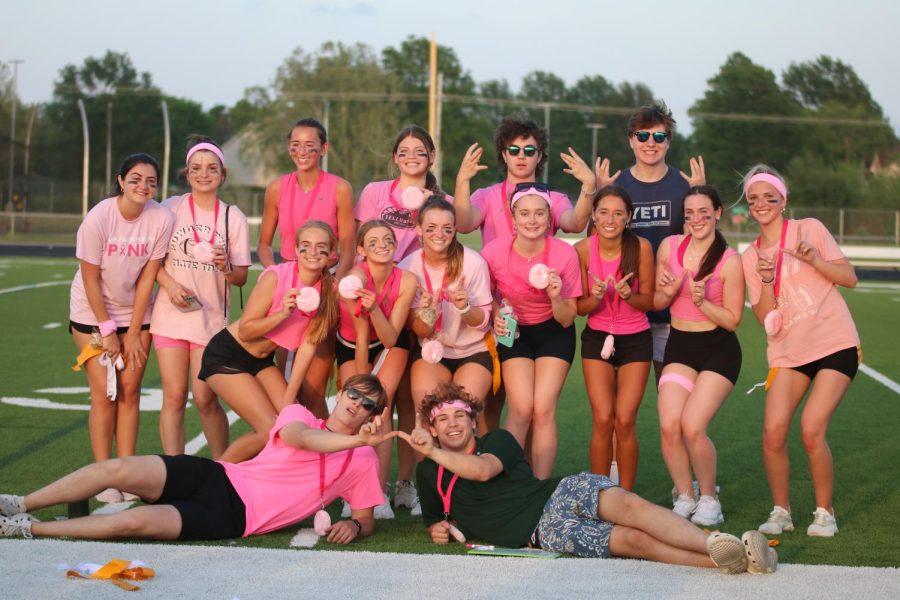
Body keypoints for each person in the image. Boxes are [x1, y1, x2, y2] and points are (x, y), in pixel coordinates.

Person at [396, 382, 776, 574]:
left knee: (628, 504)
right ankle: (734, 559)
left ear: (473, 419)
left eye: (459, 415)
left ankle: (714, 542)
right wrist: (437, 530)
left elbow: (481, 471)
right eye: (442, 419)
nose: (453, 424)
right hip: (542, 535)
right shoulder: (430, 472)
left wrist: (431, 450)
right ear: (432, 426)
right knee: (634, 542)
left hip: (557, 493)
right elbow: (434, 518)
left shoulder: (498, 439)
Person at [0, 376, 393, 545]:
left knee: (130, 522)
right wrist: (353, 439)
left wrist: (355, 528)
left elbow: (365, 517)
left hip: (236, 518)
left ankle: (28, 529)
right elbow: (302, 439)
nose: (357, 404)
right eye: (353, 395)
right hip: (217, 476)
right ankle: (20, 503)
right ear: (339, 394)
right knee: (115, 469)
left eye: (368, 404)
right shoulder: (300, 415)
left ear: (374, 414)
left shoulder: (361, 460)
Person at [740, 165, 860, 537]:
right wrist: (764, 278)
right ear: (748, 205)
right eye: (754, 198)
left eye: (769, 197)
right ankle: (782, 512)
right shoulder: (750, 254)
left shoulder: (810, 229)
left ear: (783, 200)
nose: (762, 204)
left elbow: (850, 278)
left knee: (811, 429)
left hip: (834, 342)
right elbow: (763, 317)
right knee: (773, 432)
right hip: (790, 352)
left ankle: (825, 513)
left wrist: (814, 260)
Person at [68, 153, 174, 504]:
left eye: (151, 181)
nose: (143, 186)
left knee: (130, 389)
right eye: (135, 179)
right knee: (105, 393)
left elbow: (148, 276)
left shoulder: (161, 217)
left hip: (136, 312)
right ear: (120, 181)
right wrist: (109, 329)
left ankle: (126, 474)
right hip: (92, 311)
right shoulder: (99, 218)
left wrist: (131, 331)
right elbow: (89, 277)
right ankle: (102, 476)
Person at [202, 221, 339, 463]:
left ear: (331, 254)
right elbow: (245, 330)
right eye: (305, 246)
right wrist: (282, 314)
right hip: (228, 354)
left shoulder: (328, 291)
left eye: (321, 247)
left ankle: (263, 477)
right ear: (295, 250)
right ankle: (216, 479)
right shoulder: (277, 277)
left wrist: (289, 403)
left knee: (293, 421)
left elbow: (307, 348)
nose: (313, 252)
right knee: (267, 430)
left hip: (261, 361)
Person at [150, 136, 251, 459]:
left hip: (210, 322)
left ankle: (223, 469)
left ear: (222, 174)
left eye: (211, 169)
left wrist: (225, 266)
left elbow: (241, 279)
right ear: (187, 172)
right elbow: (151, 263)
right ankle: (173, 472)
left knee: (206, 398)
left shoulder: (231, 216)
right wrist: (169, 284)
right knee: (175, 396)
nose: (203, 174)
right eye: (196, 168)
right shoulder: (170, 208)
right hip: (169, 316)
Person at [653, 186, 744, 526]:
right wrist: (667, 290)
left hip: (718, 350)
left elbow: (733, 320)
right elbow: (658, 304)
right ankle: (685, 495)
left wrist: (703, 301)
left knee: (693, 426)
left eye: (704, 212)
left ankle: (709, 499)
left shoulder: (729, 260)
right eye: (690, 213)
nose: (696, 219)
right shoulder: (670, 247)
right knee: (668, 424)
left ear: (717, 213)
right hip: (679, 347)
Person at [595, 101, 705, 381]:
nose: (650, 143)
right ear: (631, 140)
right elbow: (596, 243)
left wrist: (700, 195)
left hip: (672, 309)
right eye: (643, 136)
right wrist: (598, 194)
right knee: (621, 409)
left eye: (659, 136)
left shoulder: (683, 185)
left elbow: (702, 241)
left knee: (672, 396)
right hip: (626, 306)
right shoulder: (618, 187)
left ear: (668, 142)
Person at [481, 184, 581, 479]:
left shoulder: (564, 255)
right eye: (524, 213)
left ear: (550, 218)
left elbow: (566, 319)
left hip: (553, 332)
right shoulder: (495, 252)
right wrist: (497, 316)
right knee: (522, 409)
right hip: (515, 333)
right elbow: (486, 298)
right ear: (513, 218)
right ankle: (503, 478)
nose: (532, 220)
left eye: (539, 213)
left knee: (544, 409)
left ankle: (540, 486)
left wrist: (555, 296)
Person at [257, 117, 354, 417]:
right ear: (289, 149)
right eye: (295, 145)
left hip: (323, 287)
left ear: (323, 148)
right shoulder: (276, 188)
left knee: (311, 389)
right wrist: (278, 276)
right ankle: (290, 454)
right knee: (286, 385)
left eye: (310, 146)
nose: (302, 151)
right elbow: (263, 245)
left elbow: (349, 245)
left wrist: (331, 285)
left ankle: (328, 455)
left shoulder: (340, 188)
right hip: (288, 290)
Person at [574, 185, 654, 490]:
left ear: (629, 218)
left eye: (619, 213)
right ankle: (600, 494)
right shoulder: (582, 250)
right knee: (603, 419)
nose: (611, 219)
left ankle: (626, 496)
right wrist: (596, 297)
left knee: (624, 420)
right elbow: (581, 309)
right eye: (604, 212)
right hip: (597, 338)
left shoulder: (641, 248)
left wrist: (628, 295)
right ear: (593, 215)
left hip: (636, 339)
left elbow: (648, 302)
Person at [337, 220, 417, 517]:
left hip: (389, 341)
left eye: (387, 239)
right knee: (357, 407)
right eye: (372, 241)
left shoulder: (407, 280)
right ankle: (352, 488)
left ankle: (379, 491)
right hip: (353, 342)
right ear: (361, 249)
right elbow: (360, 338)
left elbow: (390, 337)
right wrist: (361, 386)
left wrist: (374, 310)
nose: (382, 245)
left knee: (381, 407)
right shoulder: (354, 281)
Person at [398, 198, 494, 418]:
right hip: (430, 349)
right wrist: (429, 313)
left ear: (455, 230)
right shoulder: (407, 267)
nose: (439, 234)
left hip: (473, 350)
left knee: (463, 415)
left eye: (446, 228)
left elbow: (482, 323)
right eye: (431, 228)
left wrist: (465, 307)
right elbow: (420, 330)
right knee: (425, 415)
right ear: (419, 229)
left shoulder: (473, 263)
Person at [453, 115, 595, 245]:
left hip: (540, 272)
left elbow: (575, 224)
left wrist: (589, 185)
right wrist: (462, 180)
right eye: (514, 150)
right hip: (495, 272)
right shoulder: (486, 196)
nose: (521, 156)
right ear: (504, 155)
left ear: (539, 156)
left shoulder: (554, 199)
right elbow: (463, 225)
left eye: (529, 151)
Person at [355, 125, 448, 262]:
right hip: (375, 275)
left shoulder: (444, 202)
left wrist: (430, 208)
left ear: (432, 156)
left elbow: (441, 250)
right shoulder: (374, 191)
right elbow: (359, 243)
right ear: (395, 157)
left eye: (419, 151)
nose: (411, 157)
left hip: (415, 277)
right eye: (404, 152)